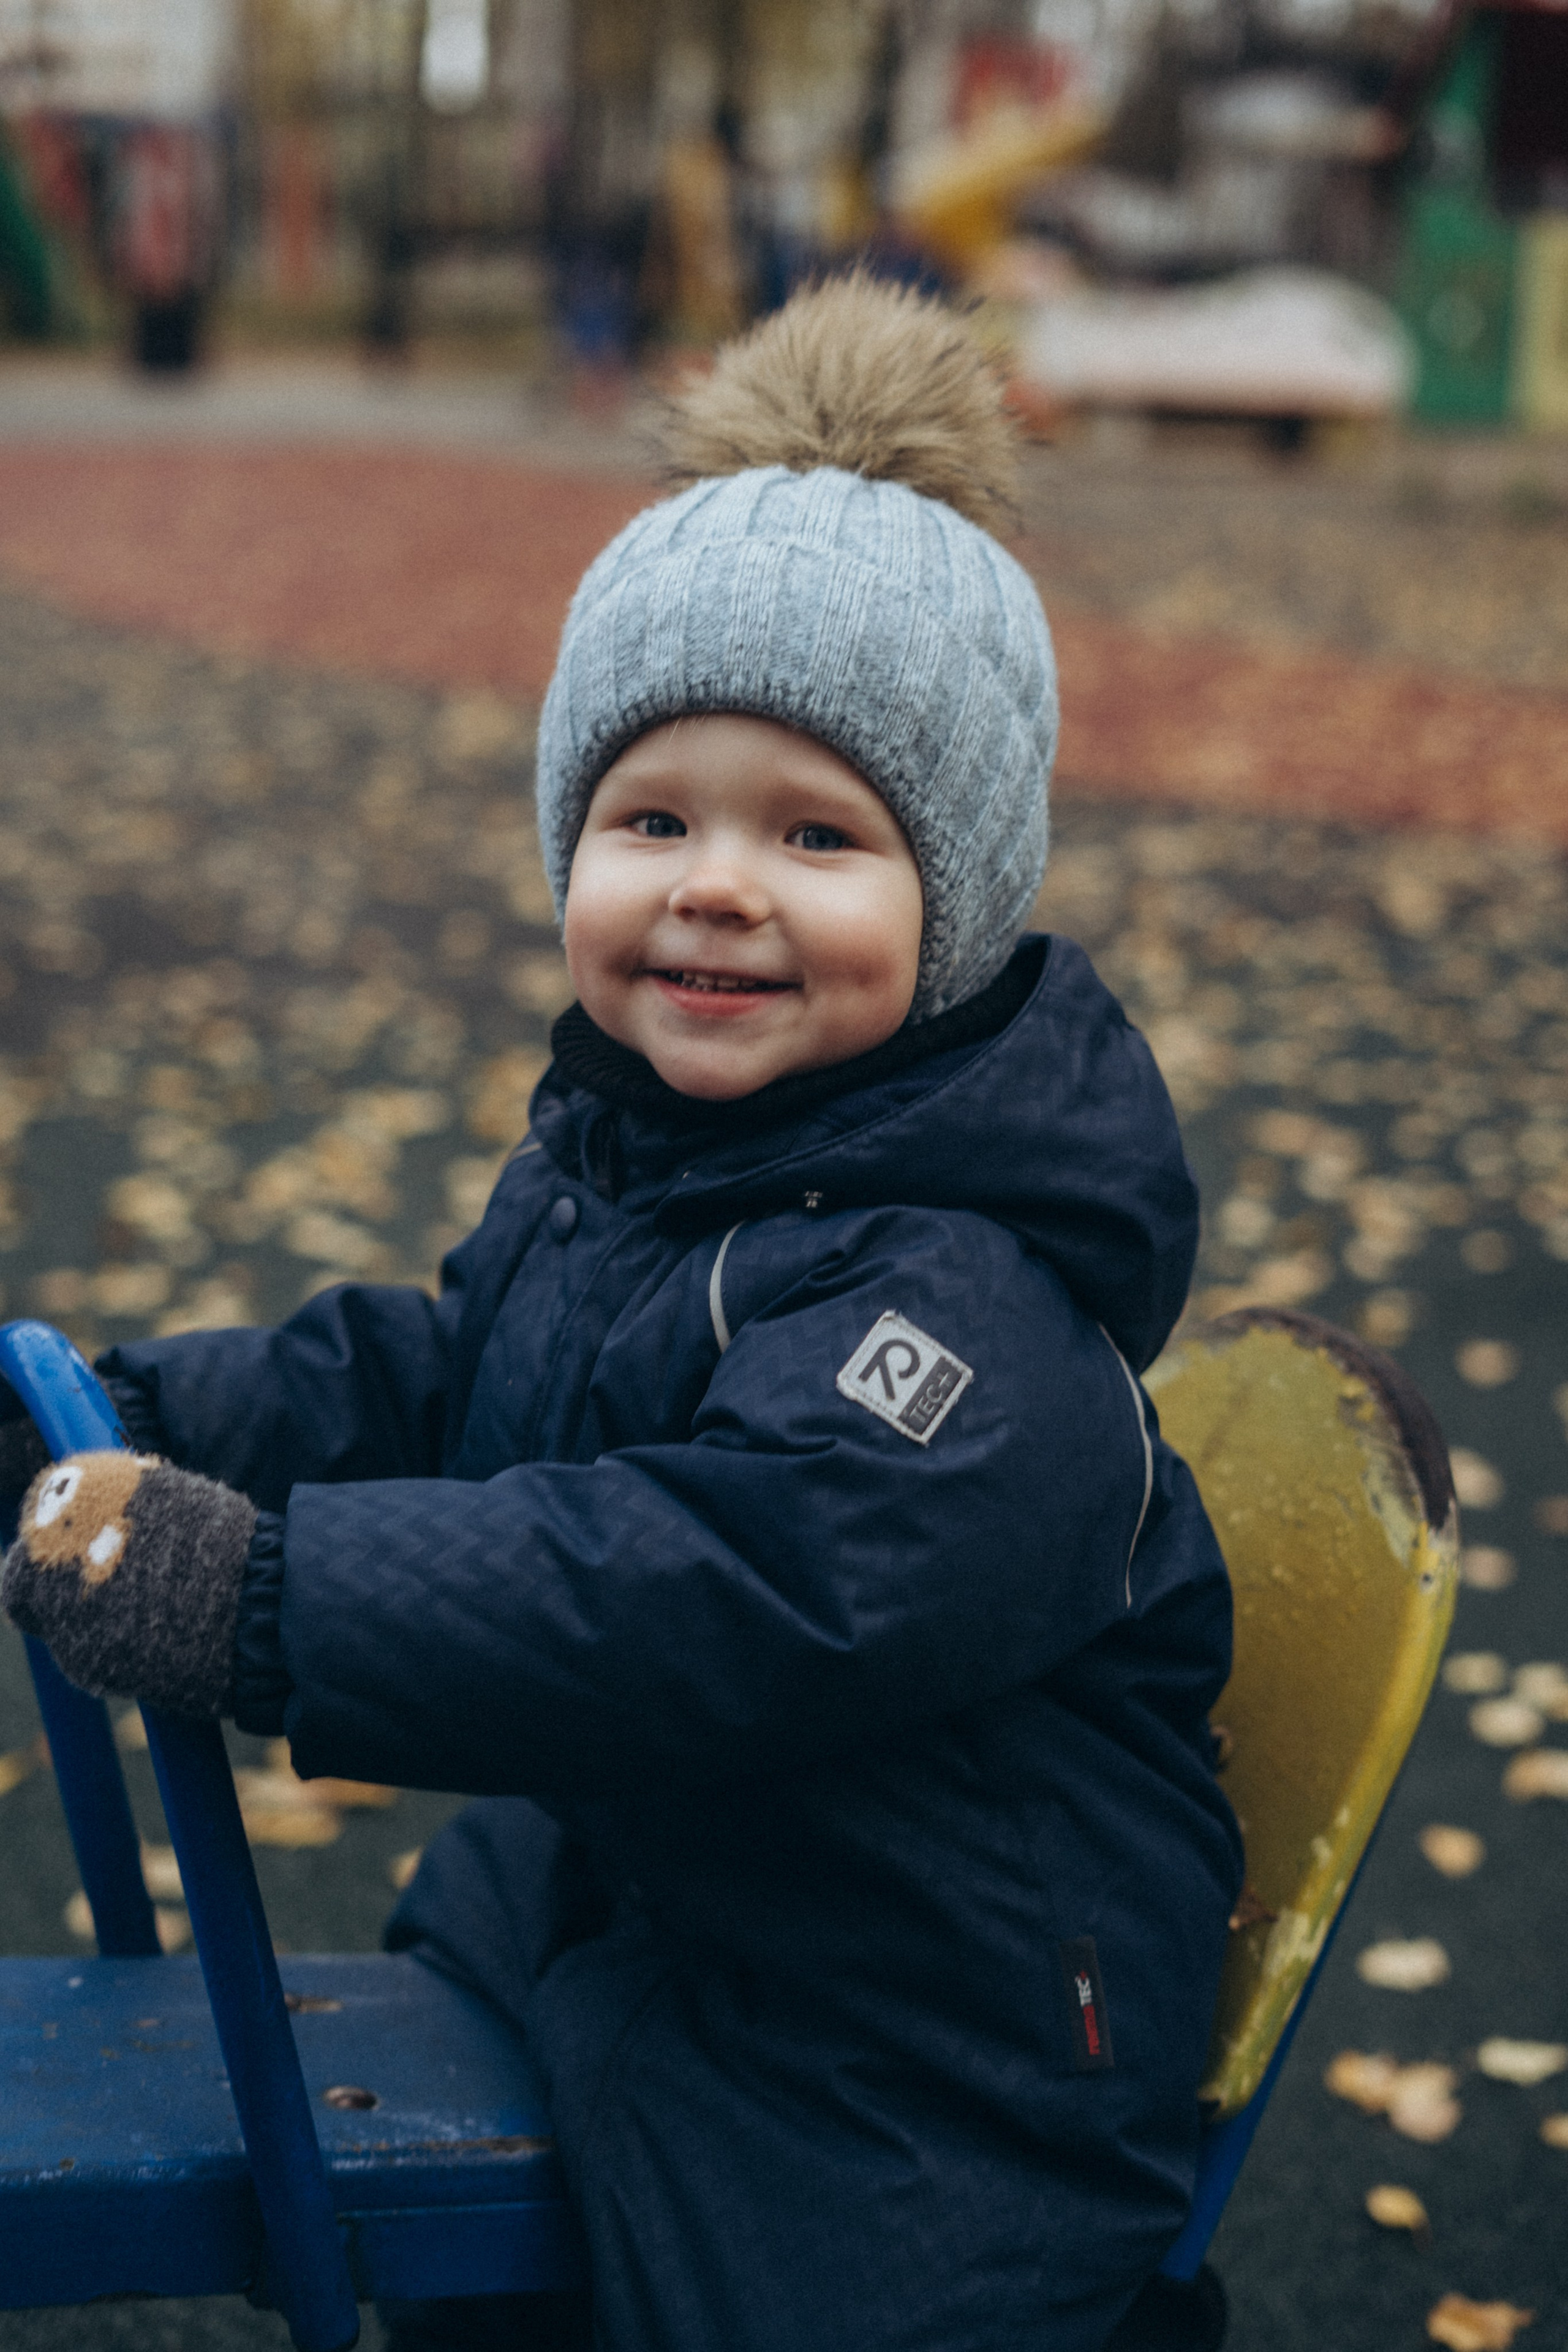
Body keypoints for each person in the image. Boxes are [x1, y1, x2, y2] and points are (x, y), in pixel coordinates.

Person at [1, 273, 1242, 2352]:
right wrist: (128, 1419)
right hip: (694, 1890)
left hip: (925, 2027)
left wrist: (275, 1606)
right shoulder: (649, 1153)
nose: (715, 884)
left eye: (818, 834)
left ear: (958, 904)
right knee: (476, 1940)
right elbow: (444, 1371)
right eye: (652, 816)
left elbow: (730, 1582)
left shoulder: (967, 1295)